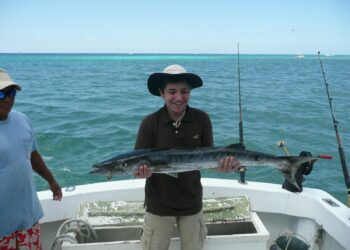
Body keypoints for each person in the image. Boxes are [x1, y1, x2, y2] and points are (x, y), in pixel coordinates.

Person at [133, 64, 240, 250]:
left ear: (190, 91)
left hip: (192, 203)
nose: (179, 97)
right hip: (158, 205)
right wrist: (142, 173)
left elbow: (209, 160)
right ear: (161, 93)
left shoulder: (202, 119)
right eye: (172, 91)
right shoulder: (149, 123)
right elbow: (137, 166)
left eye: (184, 91)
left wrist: (225, 167)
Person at [0, 68, 63, 249]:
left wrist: (51, 181)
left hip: (28, 218)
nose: (8, 98)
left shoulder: (22, 120)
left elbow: (33, 155)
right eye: (1, 94)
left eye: (11, 93)